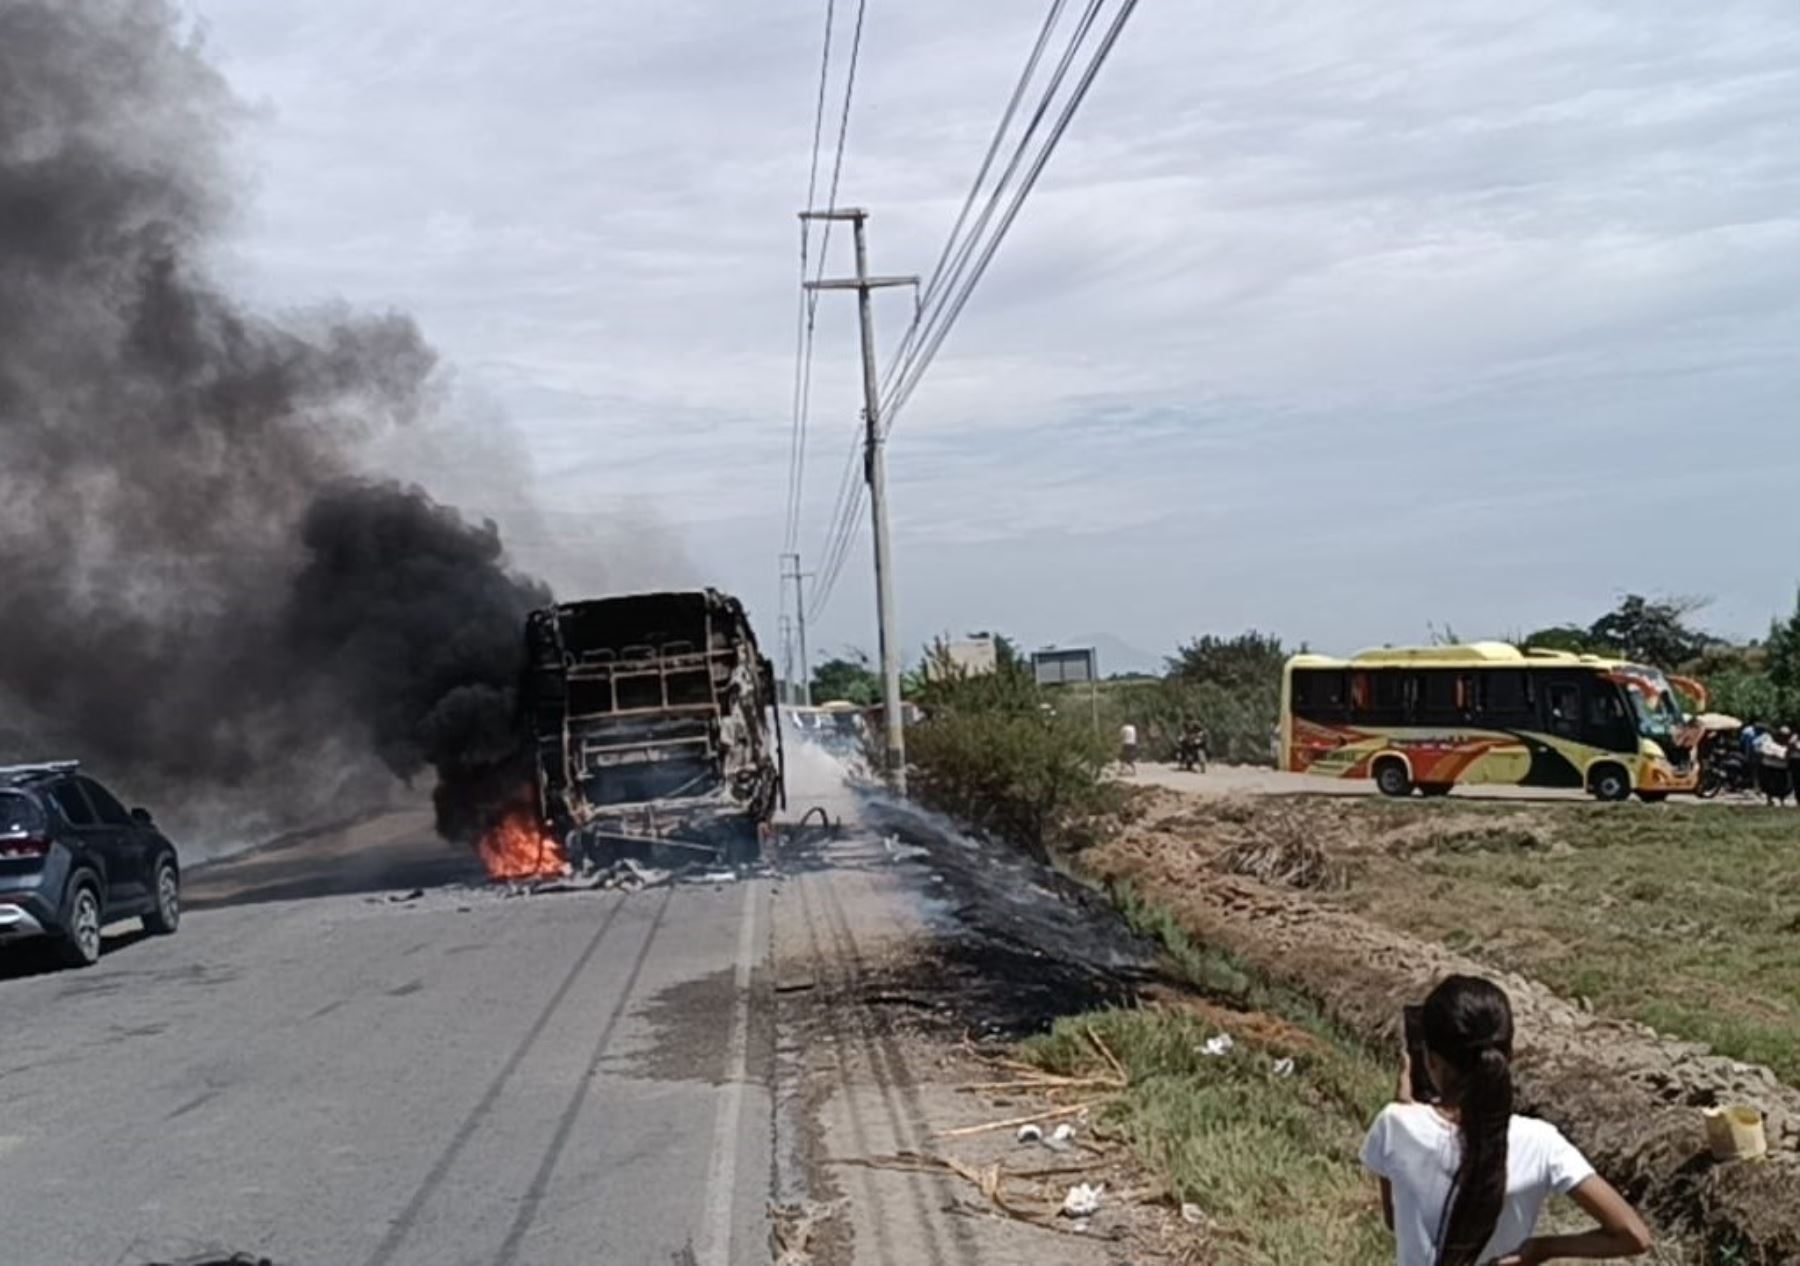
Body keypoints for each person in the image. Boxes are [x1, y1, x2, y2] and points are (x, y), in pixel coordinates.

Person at [1362, 975, 1651, 1266]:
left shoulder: (1393, 1126)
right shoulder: (1542, 1142)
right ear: (1507, 1057)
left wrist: (1403, 1108)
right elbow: (1634, 1236)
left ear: (1431, 1060)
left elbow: (1395, 1221)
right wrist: (1543, 1248)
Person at [1757, 726, 1793, 805]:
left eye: (1786, 736)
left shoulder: (1789, 745)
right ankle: (1769, 799)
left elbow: (1788, 756)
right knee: (1769, 785)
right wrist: (1773, 755)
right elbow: (1763, 750)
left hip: (1782, 767)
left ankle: (1782, 800)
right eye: (1782, 735)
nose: (1783, 737)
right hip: (1769, 766)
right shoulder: (1769, 742)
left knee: (1782, 785)